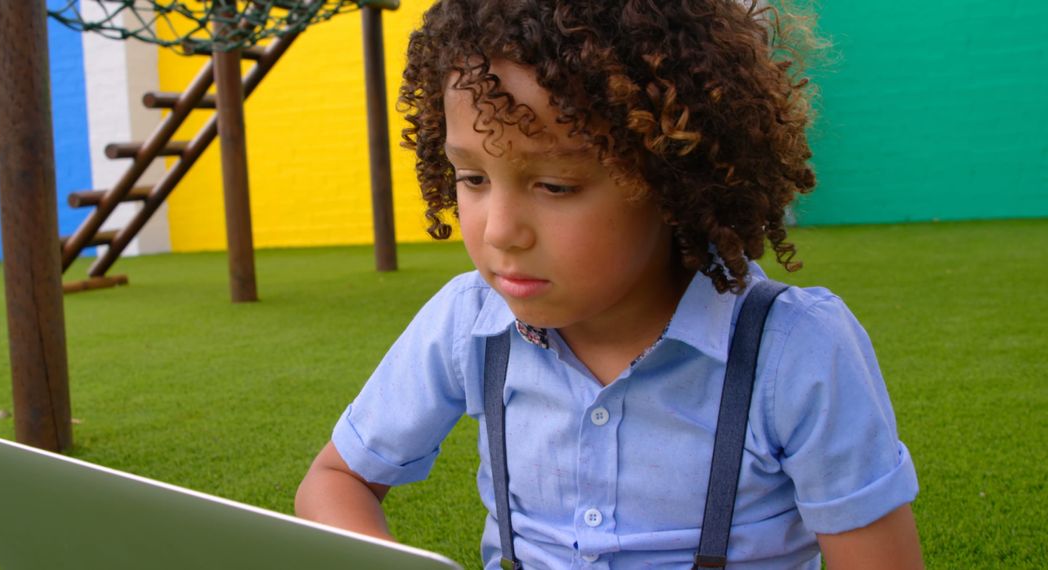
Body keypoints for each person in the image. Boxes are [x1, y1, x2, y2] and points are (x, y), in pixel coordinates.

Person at [295, 1, 924, 568]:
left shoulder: (795, 352)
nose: (500, 232)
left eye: (556, 186)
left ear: (674, 174)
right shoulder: (467, 320)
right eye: (472, 178)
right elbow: (333, 481)